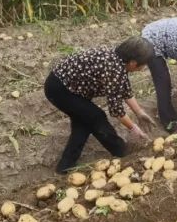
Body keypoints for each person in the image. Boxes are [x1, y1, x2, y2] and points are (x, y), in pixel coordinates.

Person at [44, 36, 157, 174]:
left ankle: (64, 166)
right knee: (96, 117)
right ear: (133, 63)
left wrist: (139, 112)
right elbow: (117, 110)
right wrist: (134, 128)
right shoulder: (113, 69)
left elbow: (124, 88)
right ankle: (121, 151)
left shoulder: (118, 59)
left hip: (69, 88)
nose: (144, 68)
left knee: (84, 123)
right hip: (60, 89)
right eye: (144, 64)